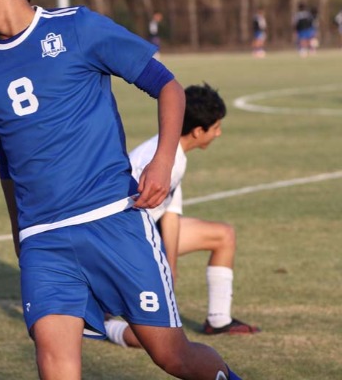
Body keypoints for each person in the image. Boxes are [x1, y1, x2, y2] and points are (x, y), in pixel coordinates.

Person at [0, 0, 241, 380]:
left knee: (172, 356)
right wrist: (21, 233)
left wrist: (162, 162)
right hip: (44, 240)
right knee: (54, 361)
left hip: (113, 220)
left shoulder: (78, 28)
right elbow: (5, 159)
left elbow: (168, 87)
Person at [104, 84, 260, 350]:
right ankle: (103, 325)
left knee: (223, 235)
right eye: (216, 127)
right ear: (198, 131)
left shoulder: (174, 154)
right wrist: (154, 265)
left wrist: (171, 265)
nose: (219, 133)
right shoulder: (163, 157)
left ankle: (219, 320)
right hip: (122, 239)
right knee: (157, 338)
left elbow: (171, 213)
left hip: (148, 232)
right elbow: (121, 214)